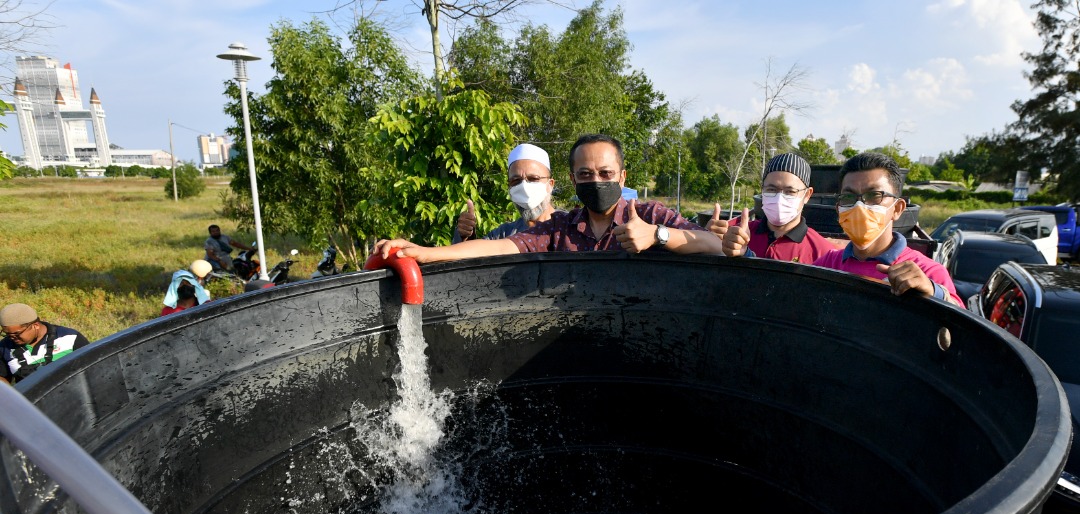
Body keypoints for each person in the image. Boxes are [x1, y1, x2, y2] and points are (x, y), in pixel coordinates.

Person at [376, 134, 725, 263]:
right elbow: (498, 247)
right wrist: (426, 253)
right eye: (586, 175)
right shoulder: (560, 228)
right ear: (572, 180)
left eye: (605, 174)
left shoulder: (650, 214)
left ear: (622, 177)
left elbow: (713, 245)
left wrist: (657, 236)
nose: (596, 181)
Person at [720, 152, 963, 306]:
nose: (859, 206)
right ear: (838, 209)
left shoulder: (926, 272)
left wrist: (934, 292)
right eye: (849, 198)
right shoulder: (828, 265)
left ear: (898, 208)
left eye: (873, 196)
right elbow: (783, 295)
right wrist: (746, 256)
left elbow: (963, 333)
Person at [706, 152, 835, 264]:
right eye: (771, 189)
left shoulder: (823, 252)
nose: (779, 198)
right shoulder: (735, 232)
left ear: (807, 195)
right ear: (762, 190)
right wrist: (709, 239)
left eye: (790, 192)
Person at [452, 143, 563, 244]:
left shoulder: (570, 227)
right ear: (509, 187)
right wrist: (464, 236)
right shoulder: (503, 234)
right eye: (516, 181)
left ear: (550, 184)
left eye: (533, 178)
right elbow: (469, 257)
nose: (524, 187)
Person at [0, 303, 89, 385]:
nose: (12, 338)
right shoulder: (4, 348)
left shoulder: (71, 337)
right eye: (7, 334)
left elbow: (90, 368)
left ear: (35, 325)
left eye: (17, 333)